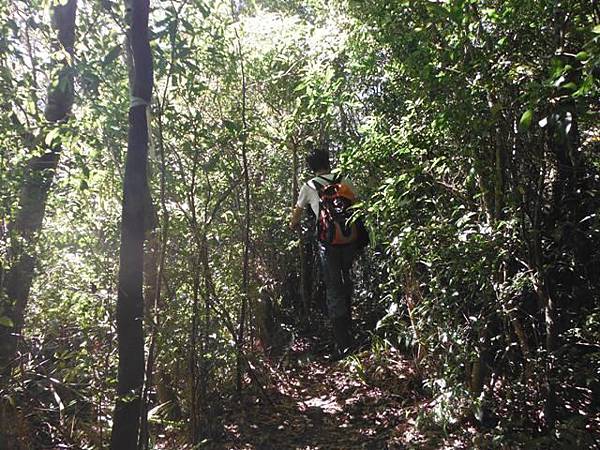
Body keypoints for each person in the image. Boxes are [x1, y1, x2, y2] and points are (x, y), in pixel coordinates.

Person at [289, 149, 358, 358]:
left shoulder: (309, 186)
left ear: (311, 167)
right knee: (347, 282)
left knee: (334, 288)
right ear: (328, 162)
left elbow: (296, 216)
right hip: (349, 239)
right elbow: (357, 202)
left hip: (327, 243)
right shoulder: (343, 178)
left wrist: (292, 224)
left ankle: (343, 345)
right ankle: (351, 332)